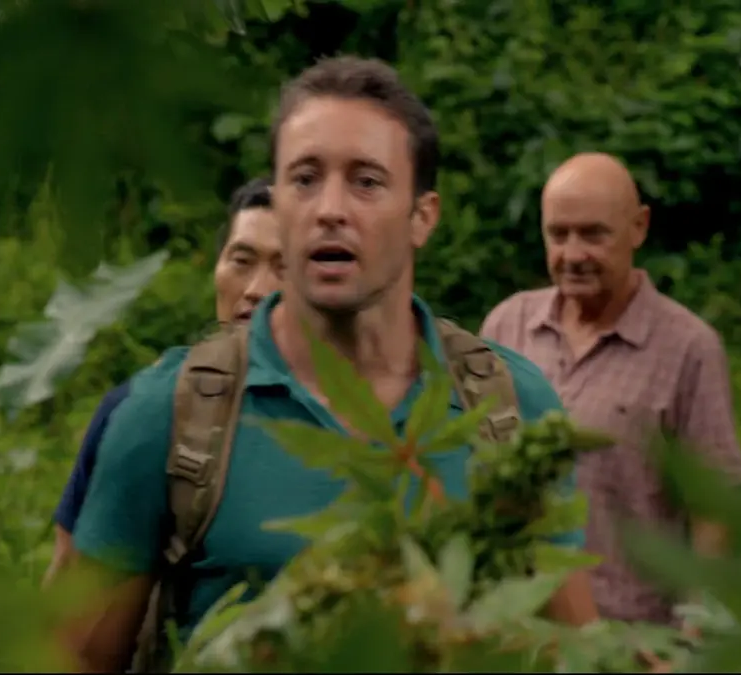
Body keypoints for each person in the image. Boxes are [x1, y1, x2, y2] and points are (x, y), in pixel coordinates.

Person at [61, 56, 597, 672]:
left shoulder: (509, 407)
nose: (329, 209)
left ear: (422, 216)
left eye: (366, 182)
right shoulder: (169, 415)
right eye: (305, 179)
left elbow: (579, 651)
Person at [479, 152, 741, 627]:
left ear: (638, 227)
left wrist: (693, 637)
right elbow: (475, 469)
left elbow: (714, 509)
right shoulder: (508, 327)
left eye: (593, 234)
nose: (573, 255)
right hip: (517, 632)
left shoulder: (687, 347)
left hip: (628, 638)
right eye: (558, 235)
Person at [43, 176, 282, 586]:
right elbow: (68, 582)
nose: (256, 289)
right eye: (242, 261)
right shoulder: (148, 405)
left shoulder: (361, 408)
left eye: (285, 267)